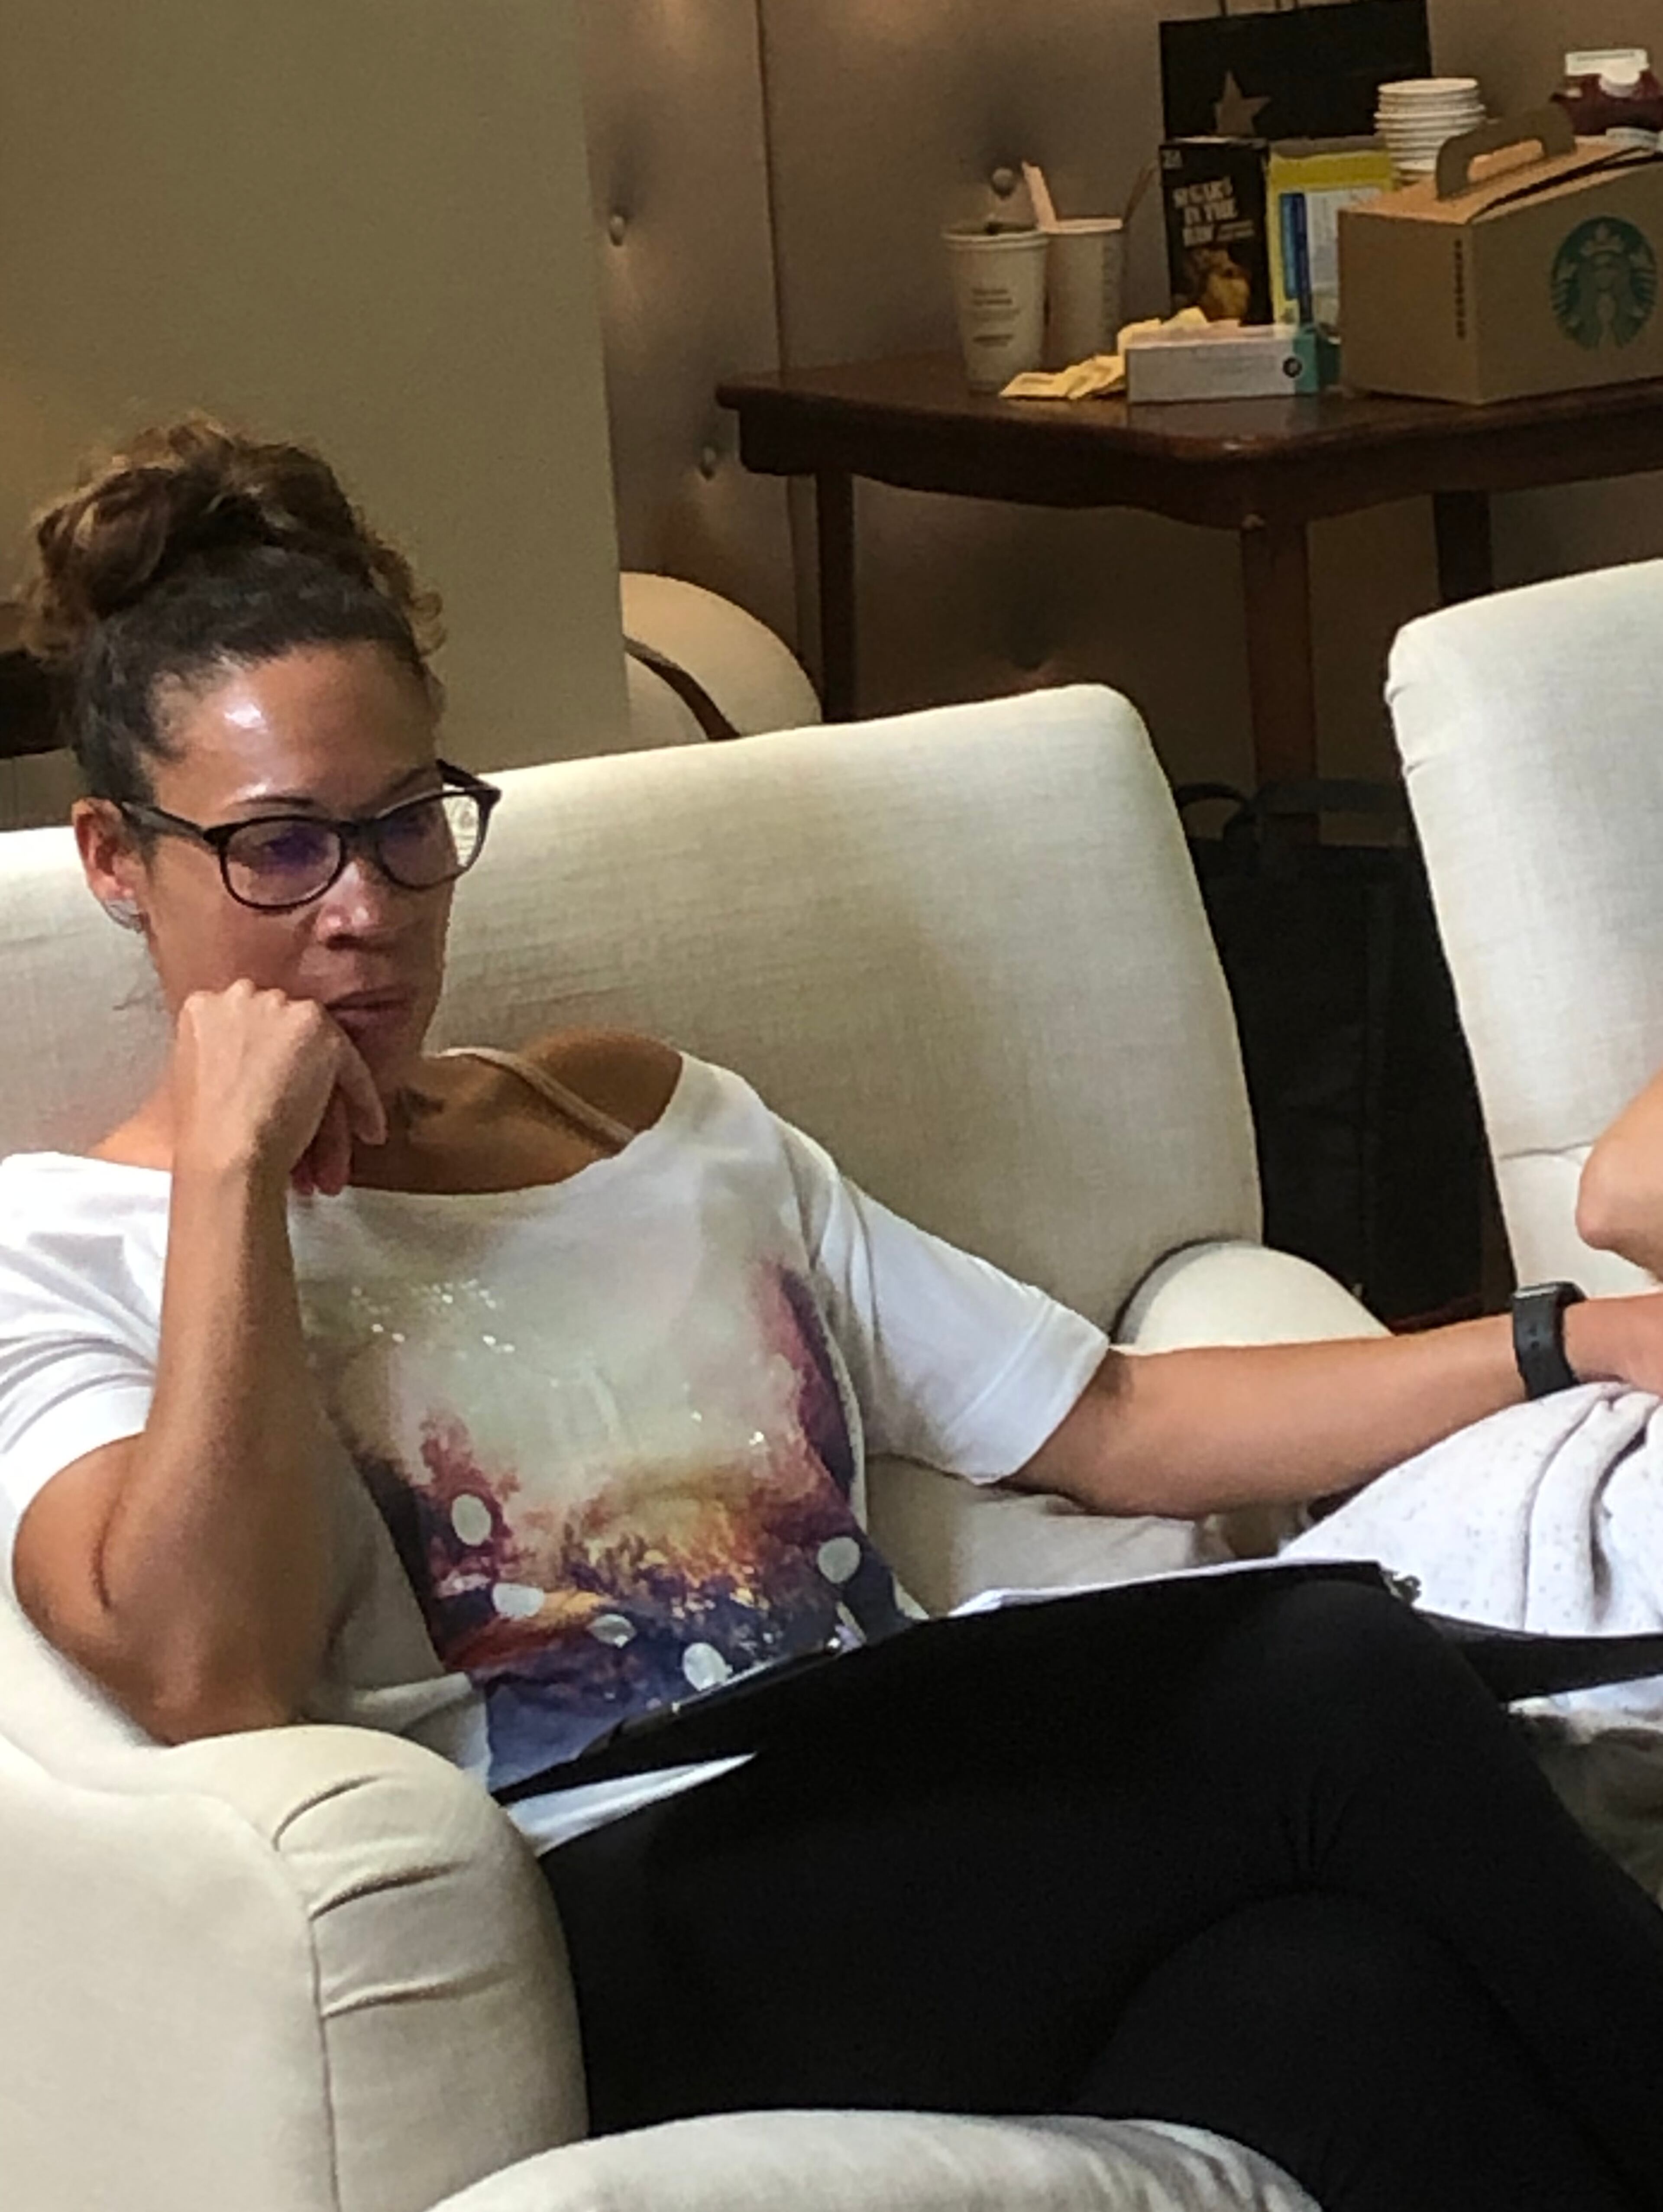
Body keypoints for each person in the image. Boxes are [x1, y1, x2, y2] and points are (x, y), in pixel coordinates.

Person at [4, 418, 1663, 2212]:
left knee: (1344, 2006)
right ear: (116, 855)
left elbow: (1104, 1414)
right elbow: (209, 1674)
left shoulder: (645, 1117)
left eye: (409, 825)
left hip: (918, 1829)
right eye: (278, 849)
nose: (365, 910)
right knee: (1332, 1676)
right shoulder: (65, 1242)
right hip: (606, 1918)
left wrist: (1557, 1340)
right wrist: (231, 1184)